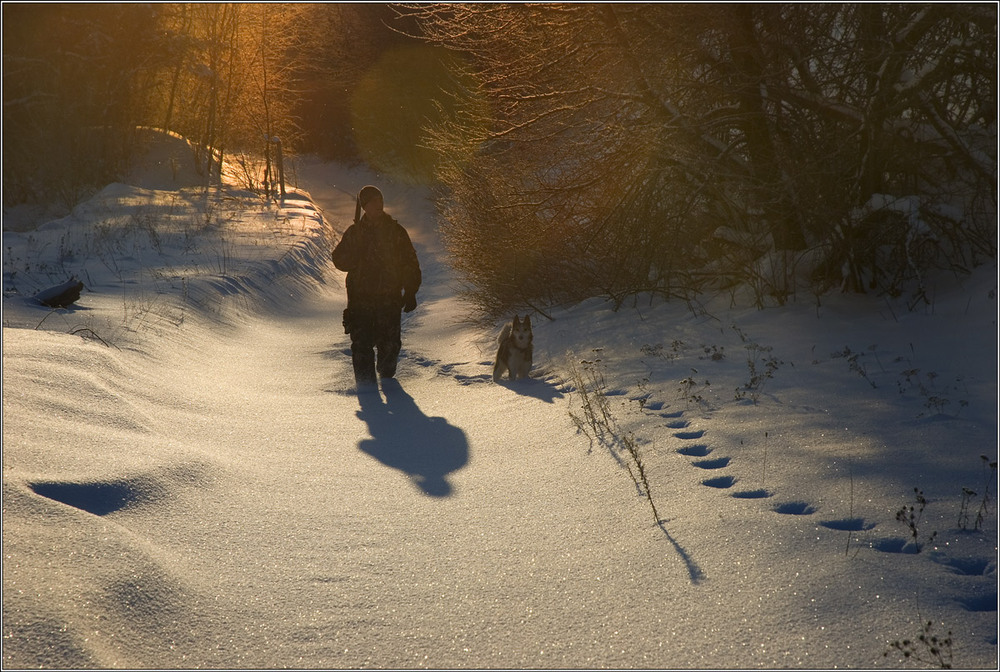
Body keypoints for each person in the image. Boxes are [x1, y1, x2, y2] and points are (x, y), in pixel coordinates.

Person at [332, 185, 421, 388]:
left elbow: (410, 262)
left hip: (388, 298)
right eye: (373, 202)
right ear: (364, 206)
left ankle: (388, 382)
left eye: (380, 201)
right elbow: (339, 260)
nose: (378, 205)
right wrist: (355, 252)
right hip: (360, 299)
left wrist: (411, 291)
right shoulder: (355, 233)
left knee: (389, 347)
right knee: (361, 346)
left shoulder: (396, 232)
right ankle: (366, 391)